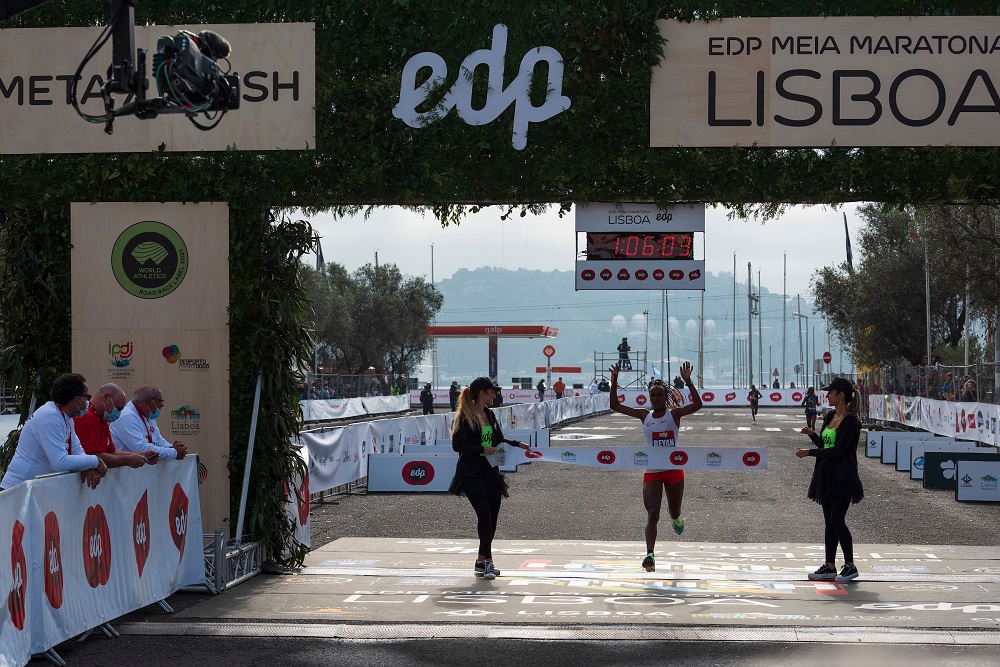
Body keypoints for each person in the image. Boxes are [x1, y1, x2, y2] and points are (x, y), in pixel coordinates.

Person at [609, 360, 703, 573]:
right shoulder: (645, 416)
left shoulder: (674, 415)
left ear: (665, 396)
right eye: (653, 395)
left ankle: (677, 519)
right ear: (649, 397)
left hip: (673, 471)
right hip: (652, 470)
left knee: (673, 511)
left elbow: (697, 405)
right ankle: (650, 554)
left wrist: (689, 383)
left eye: (660, 395)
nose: (657, 398)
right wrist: (614, 382)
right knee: (653, 513)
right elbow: (615, 406)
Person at [448, 377, 530, 580]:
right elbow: (458, 445)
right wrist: (481, 449)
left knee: (492, 519)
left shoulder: (490, 414)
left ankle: (480, 560)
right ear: (482, 393)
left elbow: (498, 440)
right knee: (484, 516)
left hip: (490, 472)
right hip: (471, 473)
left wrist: (515, 444)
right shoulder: (466, 417)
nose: (495, 394)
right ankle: (488, 563)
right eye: (492, 392)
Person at [796, 377, 864, 583]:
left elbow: (839, 451)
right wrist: (813, 436)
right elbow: (826, 446)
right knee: (829, 522)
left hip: (843, 476)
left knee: (837, 519)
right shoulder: (830, 415)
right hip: (826, 475)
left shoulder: (851, 421)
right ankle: (829, 566)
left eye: (831, 392)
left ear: (841, 395)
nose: (827, 395)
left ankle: (850, 565)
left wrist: (809, 453)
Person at [0, 373, 108, 491]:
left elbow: (77, 450)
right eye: (87, 397)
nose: (88, 402)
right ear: (77, 400)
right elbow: (60, 463)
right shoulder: (50, 417)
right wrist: (94, 461)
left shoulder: (65, 417)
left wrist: (87, 466)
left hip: (32, 491)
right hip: (16, 492)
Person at [74, 383, 155, 469]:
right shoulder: (87, 418)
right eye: (118, 408)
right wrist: (127, 460)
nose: (119, 413)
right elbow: (92, 456)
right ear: (106, 397)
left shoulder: (102, 419)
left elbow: (111, 452)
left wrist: (141, 454)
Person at [110, 385, 188, 461]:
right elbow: (141, 449)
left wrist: (172, 447)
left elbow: (158, 441)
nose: (162, 405)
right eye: (160, 401)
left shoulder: (148, 414)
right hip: (126, 472)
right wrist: (174, 453)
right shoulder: (126, 416)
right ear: (149, 401)